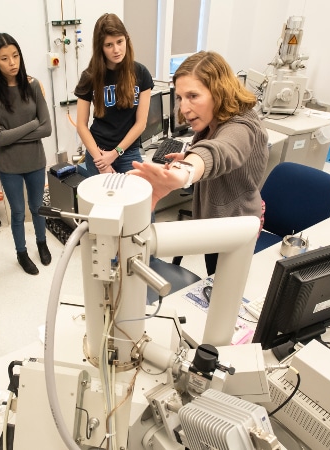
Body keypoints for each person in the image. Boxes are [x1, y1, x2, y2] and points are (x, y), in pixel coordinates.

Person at [130, 51, 268, 275]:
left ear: (218, 90)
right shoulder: (213, 120)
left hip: (234, 227)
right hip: (214, 221)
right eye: (180, 98)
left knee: (222, 288)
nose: (183, 108)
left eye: (193, 96)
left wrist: (185, 171)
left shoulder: (241, 126)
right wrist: (188, 155)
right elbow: (212, 148)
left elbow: (222, 150)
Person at [0, 33, 53, 275]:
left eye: (15, 55)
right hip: (9, 165)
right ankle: (21, 253)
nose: (12, 62)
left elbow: (48, 128)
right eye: (4, 58)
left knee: (37, 207)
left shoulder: (34, 85)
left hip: (35, 160)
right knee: (18, 211)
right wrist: (32, 124)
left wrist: (15, 133)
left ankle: (41, 243)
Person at [74, 13, 153, 176]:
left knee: (133, 200)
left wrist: (115, 153)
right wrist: (101, 161)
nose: (116, 50)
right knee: (102, 200)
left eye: (119, 42)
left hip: (128, 152)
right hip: (98, 152)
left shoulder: (141, 73)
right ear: (100, 47)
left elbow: (141, 124)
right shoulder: (89, 77)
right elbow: (81, 125)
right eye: (109, 45)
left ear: (127, 39)